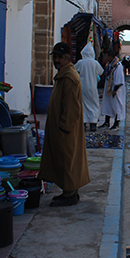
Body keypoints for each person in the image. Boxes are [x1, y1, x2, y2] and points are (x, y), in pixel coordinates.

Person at [39, 42, 90, 207]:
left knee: (67, 161)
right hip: (61, 130)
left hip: (66, 131)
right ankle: (70, 192)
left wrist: (64, 128)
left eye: (60, 57)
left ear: (68, 58)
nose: (57, 60)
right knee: (65, 161)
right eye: (55, 57)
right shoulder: (63, 75)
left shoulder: (69, 78)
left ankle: (69, 193)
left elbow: (71, 108)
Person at [75, 42, 104, 132]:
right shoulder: (95, 63)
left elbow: (75, 71)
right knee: (94, 104)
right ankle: (93, 124)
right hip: (92, 87)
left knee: (82, 104)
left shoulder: (80, 62)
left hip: (82, 87)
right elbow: (101, 72)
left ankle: (83, 123)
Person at [99, 50, 125, 130]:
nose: (106, 58)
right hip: (109, 88)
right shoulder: (109, 65)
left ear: (111, 56)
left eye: (107, 56)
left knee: (116, 105)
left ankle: (116, 123)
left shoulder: (118, 65)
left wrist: (115, 90)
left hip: (115, 89)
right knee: (107, 105)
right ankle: (107, 122)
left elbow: (119, 78)